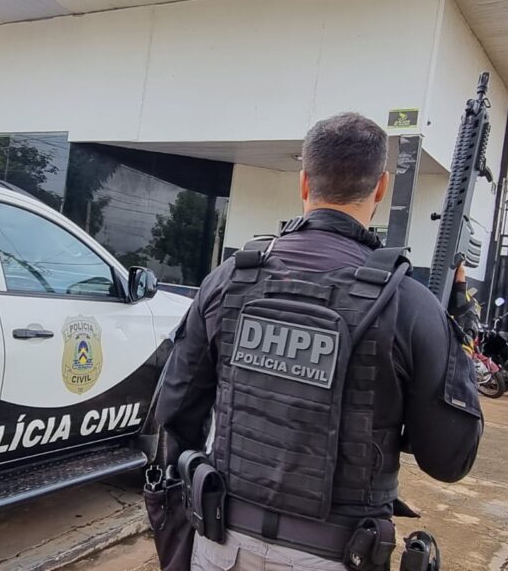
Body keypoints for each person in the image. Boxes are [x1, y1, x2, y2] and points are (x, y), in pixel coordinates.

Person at [155, 112, 483, 571]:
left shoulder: (229, 279)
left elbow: (174, 412)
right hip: (337, 554)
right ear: (381, 188)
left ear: (304, 182)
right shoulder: (409, 304)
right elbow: (449, 459)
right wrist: (458, 337)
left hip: (220, 545)